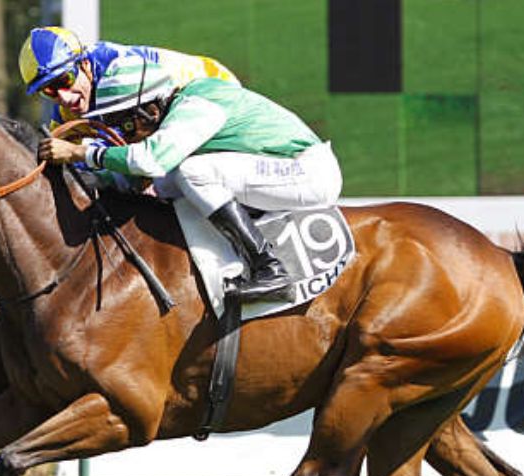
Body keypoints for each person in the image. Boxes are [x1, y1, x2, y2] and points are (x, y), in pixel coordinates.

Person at [38, 57, 343, 303]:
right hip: (281, 170)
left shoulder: (197, 106)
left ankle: (269, 267)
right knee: (170, 181)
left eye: (126, 123)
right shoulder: (178, 105)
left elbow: (149, 159)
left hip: (309, 173)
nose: (124, 135)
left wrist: (80, 153)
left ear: (152, 108)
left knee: (192, 173)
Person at [18, 26, 239, 129]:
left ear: (84, 65)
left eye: (65, 80)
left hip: (220, 96)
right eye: (49, 90)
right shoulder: (67, 108)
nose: (63, 97)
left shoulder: (120, 69)